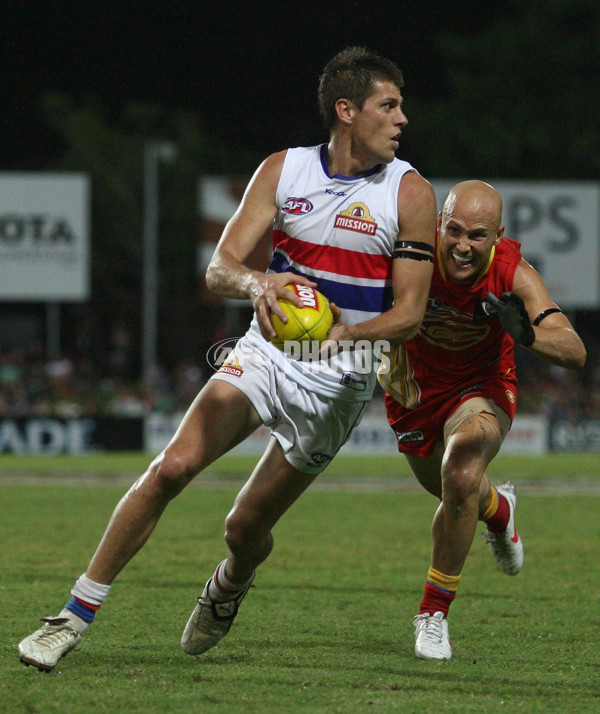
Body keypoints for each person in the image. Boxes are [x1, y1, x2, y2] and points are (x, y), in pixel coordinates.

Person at [18, 46, 438, 671]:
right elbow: (220, 266)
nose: (402, 118)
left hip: (341, 382)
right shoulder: (283, 171)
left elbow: (408, 314)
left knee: (243, 531)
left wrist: (343, 339)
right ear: (346, 111)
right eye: (389, 105)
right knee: (170, 468)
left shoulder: (411, 193)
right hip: (266, 354)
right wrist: (257, 285)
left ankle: (231, 583)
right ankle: (72, 616)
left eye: (401, 105)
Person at [378, 180, 586, 660]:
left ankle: (433, 614)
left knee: (462, 469)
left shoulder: (514, 273)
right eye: (453, 231)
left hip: (482, 388)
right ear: (439, 225)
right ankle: (501, 510)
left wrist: (527, 335)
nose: (462, 246)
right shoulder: (413, 255)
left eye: (476, 235)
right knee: (455, 491)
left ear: (498, 236)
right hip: (414, 390)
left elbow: (574, 350)